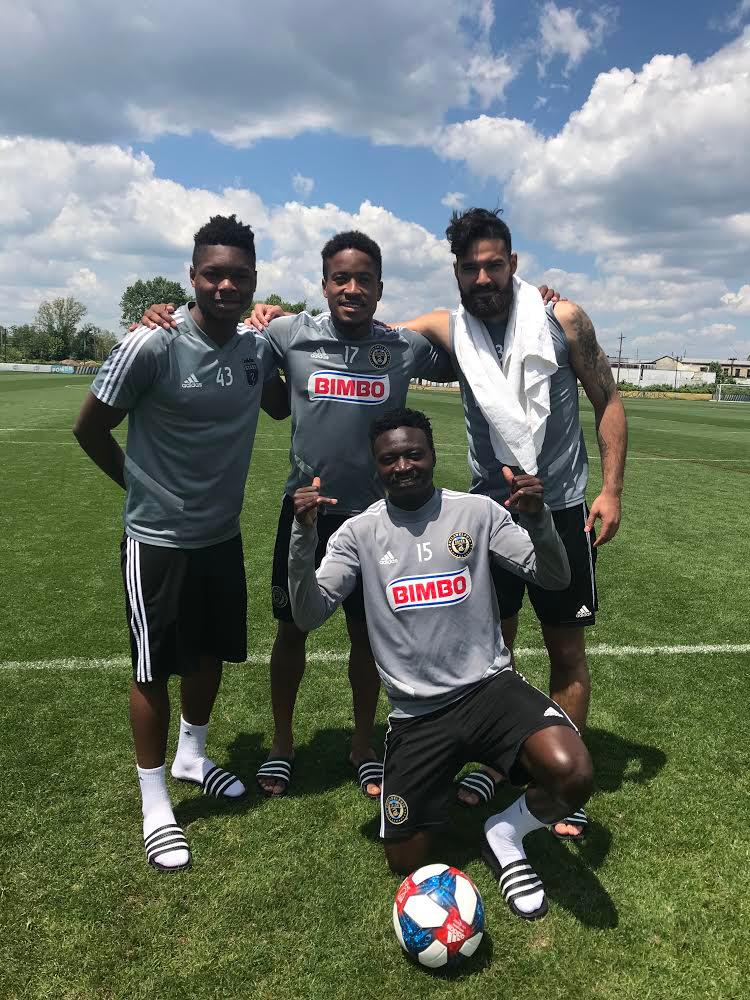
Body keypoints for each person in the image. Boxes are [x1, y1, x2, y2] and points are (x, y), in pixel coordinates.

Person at [137, 232, 559, 801]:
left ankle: (364, 745)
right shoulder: (288, 333)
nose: (352, 289)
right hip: (309, 512)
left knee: (369, 637)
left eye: (364, 280)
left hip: (381, 520)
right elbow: (226, 340)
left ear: (381, 289)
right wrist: (159, 313)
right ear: (324, 285)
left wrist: (532, 303)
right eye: (341, 279)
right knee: (291, 631)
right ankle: (282, 744)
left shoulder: (403, 346)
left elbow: (477, 343)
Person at [287, 408, 593, 920]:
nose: (403, 465)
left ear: (433, 456)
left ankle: (505, 830)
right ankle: (451, 784)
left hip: (490, 690)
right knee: (403, 860)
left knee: (574, 773)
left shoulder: (476, 512)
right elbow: (308, 613)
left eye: (414, 454)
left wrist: (539, 520)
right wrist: (303, 538)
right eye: (390, 458)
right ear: (375, 465)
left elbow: (553, 577)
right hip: (417, 714)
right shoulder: (358, 534)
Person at [396, 209, 627, 839]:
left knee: (565, 648)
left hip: (561, 510)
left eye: (494, 264)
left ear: (514, 264)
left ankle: (561, 779)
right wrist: (273, 318)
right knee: (489, 650)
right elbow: (379, 330)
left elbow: (607, 399)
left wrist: (608, 490)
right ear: (457, 273)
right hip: (488, 515)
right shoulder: (452, 331)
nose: (483, 276)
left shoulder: (562, 320)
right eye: (470, 267)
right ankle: (495, 762)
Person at [73, 214, 288, 872]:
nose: (226, 284)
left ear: (254, 283)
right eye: (213, 274)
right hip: (157, 541)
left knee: (209, 654)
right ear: (192, 278)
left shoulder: (255, 346)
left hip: (219, 538)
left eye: (240, 276)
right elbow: (90, 430)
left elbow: (278, 406)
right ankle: (154, 796)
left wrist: (274, 334)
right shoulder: (154, 344)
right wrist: (142, 495)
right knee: (154, 667)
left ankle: (192, 755)